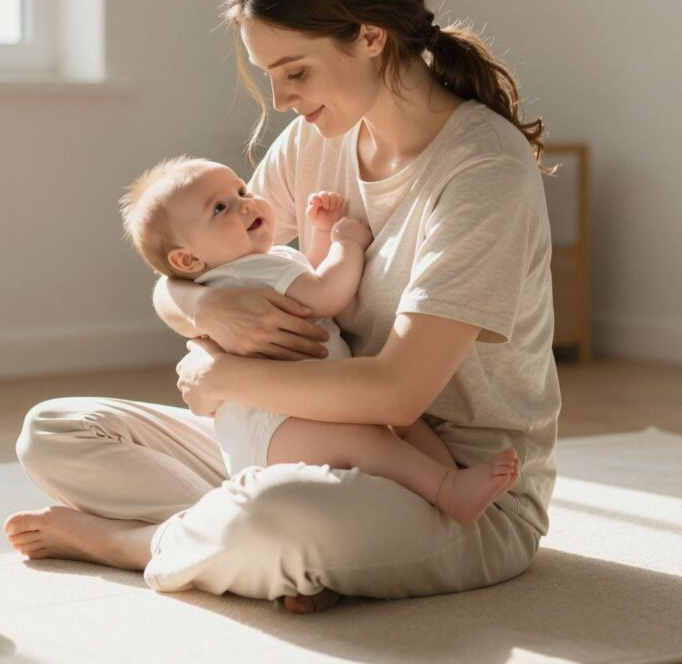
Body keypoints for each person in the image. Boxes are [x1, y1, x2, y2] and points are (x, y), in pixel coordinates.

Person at [5, 0, 560, 615]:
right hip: (300, 435)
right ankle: (262, 548)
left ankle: (133, 543)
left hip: (450, 487)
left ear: (370, 35)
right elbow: (193, 270)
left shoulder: (484, 172)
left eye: (295, 72)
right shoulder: (318, 139)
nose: (281, 100)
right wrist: (204, 308)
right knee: (54, 430)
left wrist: (226, 375)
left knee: (277, 517)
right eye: (272, 76)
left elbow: (398, 395)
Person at [118, 155, 520, 524]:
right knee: (368, 437)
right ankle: (447, 490)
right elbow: (326, 293)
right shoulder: (252, 273)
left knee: (392, 430)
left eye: (242, 191)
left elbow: (308, 278)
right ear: (187, 260)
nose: (245, 204)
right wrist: (347, 243)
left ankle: (442, 491)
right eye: (220, 208)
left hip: (275, 429)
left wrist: (322, 233)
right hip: (282, 426)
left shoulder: (250, 269)